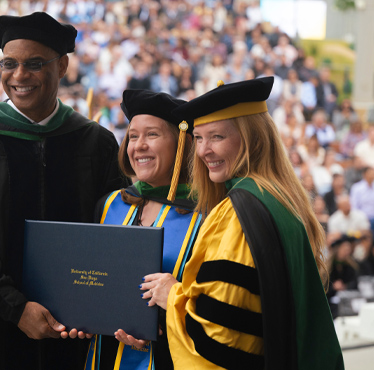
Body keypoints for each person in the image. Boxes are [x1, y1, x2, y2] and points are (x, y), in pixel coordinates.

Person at [0, 12, 128, 370]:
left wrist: (93, 303)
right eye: (9, 63)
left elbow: (110, 235)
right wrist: (14, 309)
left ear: (62, 66)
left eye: (34, 64)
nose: (18, 76)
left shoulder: (96, 143)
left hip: (70, 332)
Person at [141, 78, 343, 369]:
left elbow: (222, 339)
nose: (202, 151)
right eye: (198, 138)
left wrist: (172, 295)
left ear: (253, 139)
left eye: (217, 137)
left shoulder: (236, 214)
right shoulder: (280, 200)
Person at [84, 90, 202, 370]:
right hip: (104, 353)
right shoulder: (111, 204)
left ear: (181, 144)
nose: (139, 146)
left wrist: (158, 323)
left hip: (168, 358)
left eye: (152, 135)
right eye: (133, 136)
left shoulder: (205, 215)